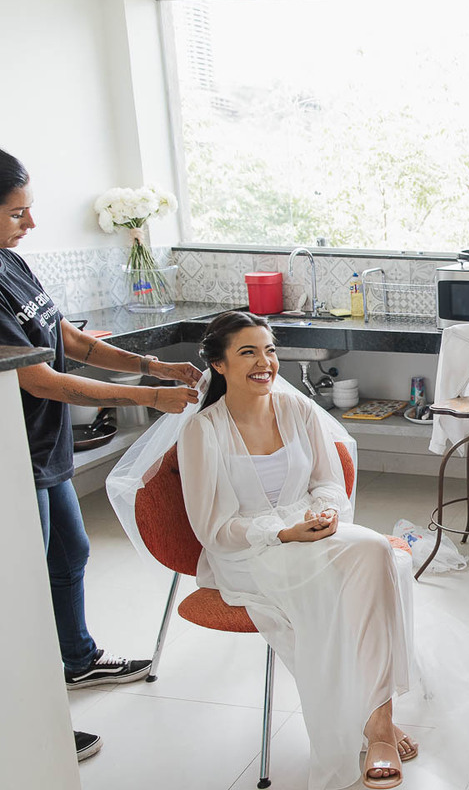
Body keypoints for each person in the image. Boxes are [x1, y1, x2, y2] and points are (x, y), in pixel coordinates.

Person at [0, 148, 201, 761]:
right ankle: (33, 719)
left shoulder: (10, 264)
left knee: (69, 553)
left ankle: (78, 661)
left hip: (43, 444)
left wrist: (150, 365)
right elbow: (40, 379)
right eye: (16, 213)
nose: (30, 225)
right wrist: (151, 395)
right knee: (22, 592)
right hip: (14, 459)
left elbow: (66, 337)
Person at [174, 311, 414, 790]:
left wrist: (324, 515)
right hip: (250, 553)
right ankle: (376, 725)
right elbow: (213, 528)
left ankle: (377, 721)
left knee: (373, 556)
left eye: (270, 350)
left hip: (310, 533)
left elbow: (328, 482)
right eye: (248, 352)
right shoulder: (203, 431)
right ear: (218, 366)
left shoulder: (298, 410)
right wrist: (281, 535)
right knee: (371, 557)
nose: (265, 363)